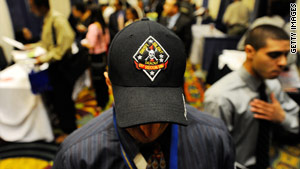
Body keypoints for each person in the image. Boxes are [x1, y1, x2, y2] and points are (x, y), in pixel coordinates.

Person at [52, 18, 235, 169]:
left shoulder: (216, 141)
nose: (150, 130)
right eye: (135, 112)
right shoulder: (76, 158)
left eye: (164, 111)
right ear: (109, 84)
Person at [204, 25, 299, 168]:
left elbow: (296, 121)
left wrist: (282, 117)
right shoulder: (221, 97)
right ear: (249, 51)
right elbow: (213, 153)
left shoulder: (272, 86)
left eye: (285, 55)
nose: (283, 63)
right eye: (274, 55)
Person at [26, 0, 77, 142]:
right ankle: (65, 126)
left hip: (61, 66)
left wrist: (44, 58)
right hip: (54, 66)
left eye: (32, 7)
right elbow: (48, 43)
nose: (31, 10)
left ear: (41, 5)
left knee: (64, 99)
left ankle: (69, 132)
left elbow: (65, 42)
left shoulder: (57, 19)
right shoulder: (48, 19)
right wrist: (33, 46)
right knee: (58, 99)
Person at [81, 6, 110, 109]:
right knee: (103, 79)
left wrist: (83, 43)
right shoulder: (103, 25)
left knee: (97, 81)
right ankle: (105, 99)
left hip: (95, 56)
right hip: (103, 55)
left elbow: (91, 44)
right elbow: (107, 41)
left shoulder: (93, 26)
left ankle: (100, 103)